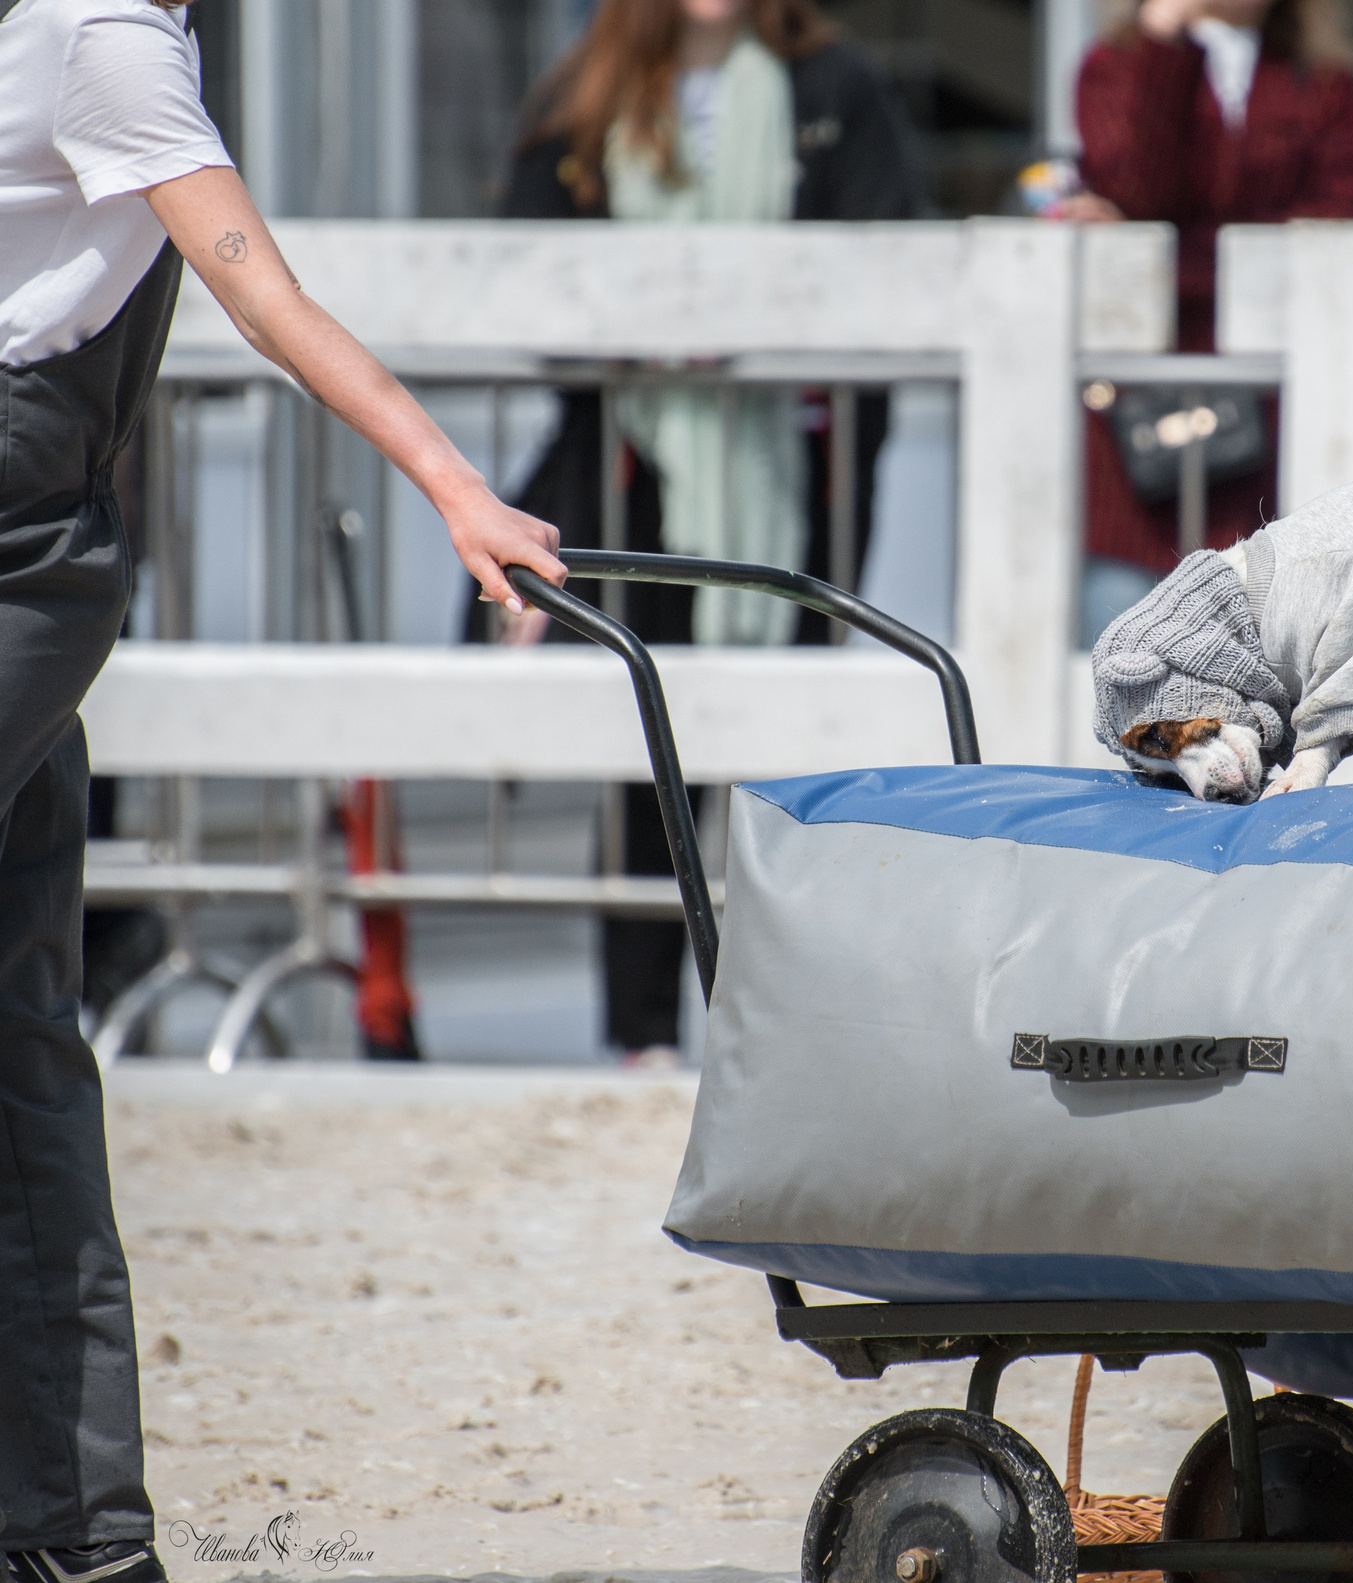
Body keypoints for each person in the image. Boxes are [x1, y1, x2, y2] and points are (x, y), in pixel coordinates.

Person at [0, 1, 562, 1576]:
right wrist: (453, 480)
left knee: (24, 1055)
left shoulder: (115, 31)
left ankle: (69, 1526)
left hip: (27, 536)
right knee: (23, 1055)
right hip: (28, 517)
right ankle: (74, 1534)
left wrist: (452, 482)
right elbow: (256, 288)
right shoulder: (102, 28)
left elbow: (252, 286)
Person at [499, 0, 923, 1064]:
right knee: (648, 743)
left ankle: (790, 1036)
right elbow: (516, 275)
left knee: (791, 755)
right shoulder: (582, 93)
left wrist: (745, 334)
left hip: (794, 467)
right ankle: (642, 1034)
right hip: (635, 465)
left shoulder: (834, 88)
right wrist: (648, 341)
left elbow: (889, 265)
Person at [1059, 0, 1353, 646]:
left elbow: (1336, 229)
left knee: (1257, 685)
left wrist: (1172, 254)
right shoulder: (1116, 66)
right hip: (1136, 443)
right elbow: (1130, 180)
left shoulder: (1322, 81)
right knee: (1127, 676)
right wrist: (1163, 34)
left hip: (1269, 445)